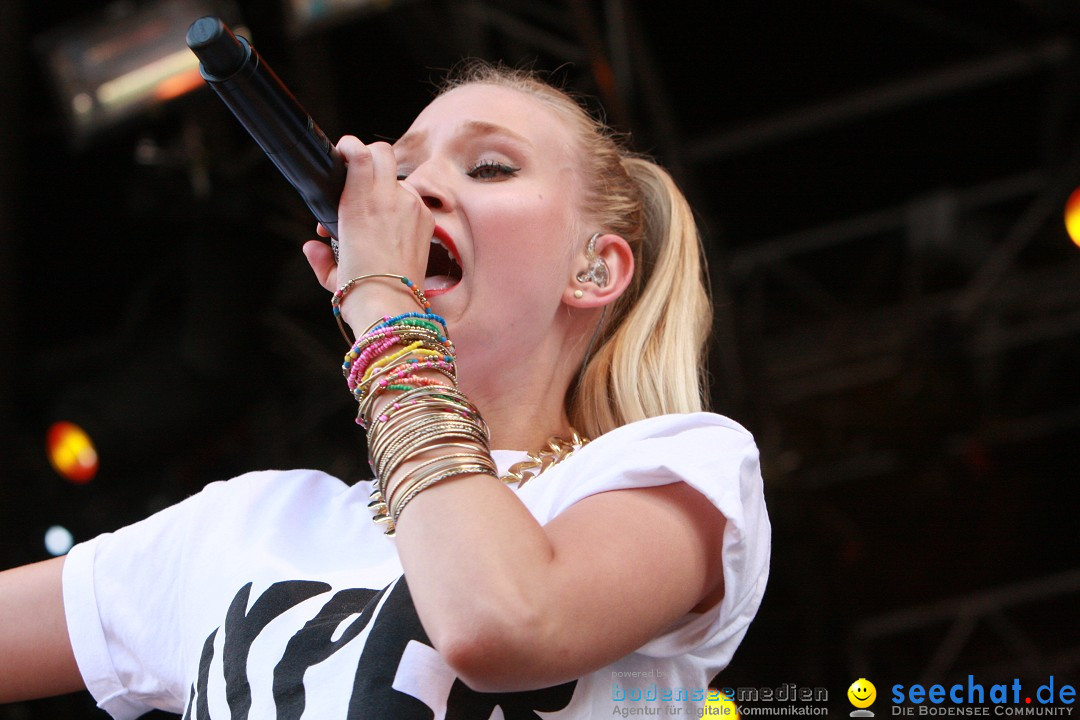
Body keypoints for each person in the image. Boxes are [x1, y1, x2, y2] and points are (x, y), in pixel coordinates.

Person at [0, 61, 770, 717]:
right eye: (401, 173)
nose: (417, 190)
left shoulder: (678, 469)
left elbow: (499, 624)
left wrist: (383, 300)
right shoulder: (245, 526)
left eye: (489, 167)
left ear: (594, 269)